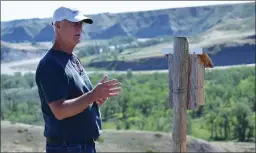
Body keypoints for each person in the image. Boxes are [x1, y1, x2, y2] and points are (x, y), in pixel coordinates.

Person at [35, 6, 122, 153]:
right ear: (58, 26)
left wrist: (93, 100)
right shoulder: (50, 64)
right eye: (74, 24)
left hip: (80, 146)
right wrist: (92, 95)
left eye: (80, 24)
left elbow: (76, 100)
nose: (79, 28)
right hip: (67, 147)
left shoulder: (71, 58)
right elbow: (60, 111)